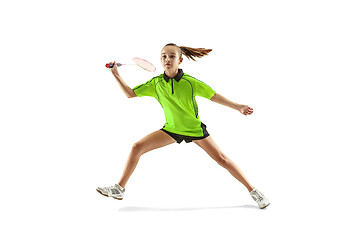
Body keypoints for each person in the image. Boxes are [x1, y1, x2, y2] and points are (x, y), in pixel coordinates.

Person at [97, 43, 270, 209]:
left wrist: (238, 106)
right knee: (137, 147)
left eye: (172, 56)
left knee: (222, 159)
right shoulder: (156, 83)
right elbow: (130, 94)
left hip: (194, 129)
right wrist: (115, 73)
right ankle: (119, 189)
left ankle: (254, 191)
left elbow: (214, 96)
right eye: (164, 56)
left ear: (180, 60)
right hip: (171, 129)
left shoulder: (189, 82)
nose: (167, 59)